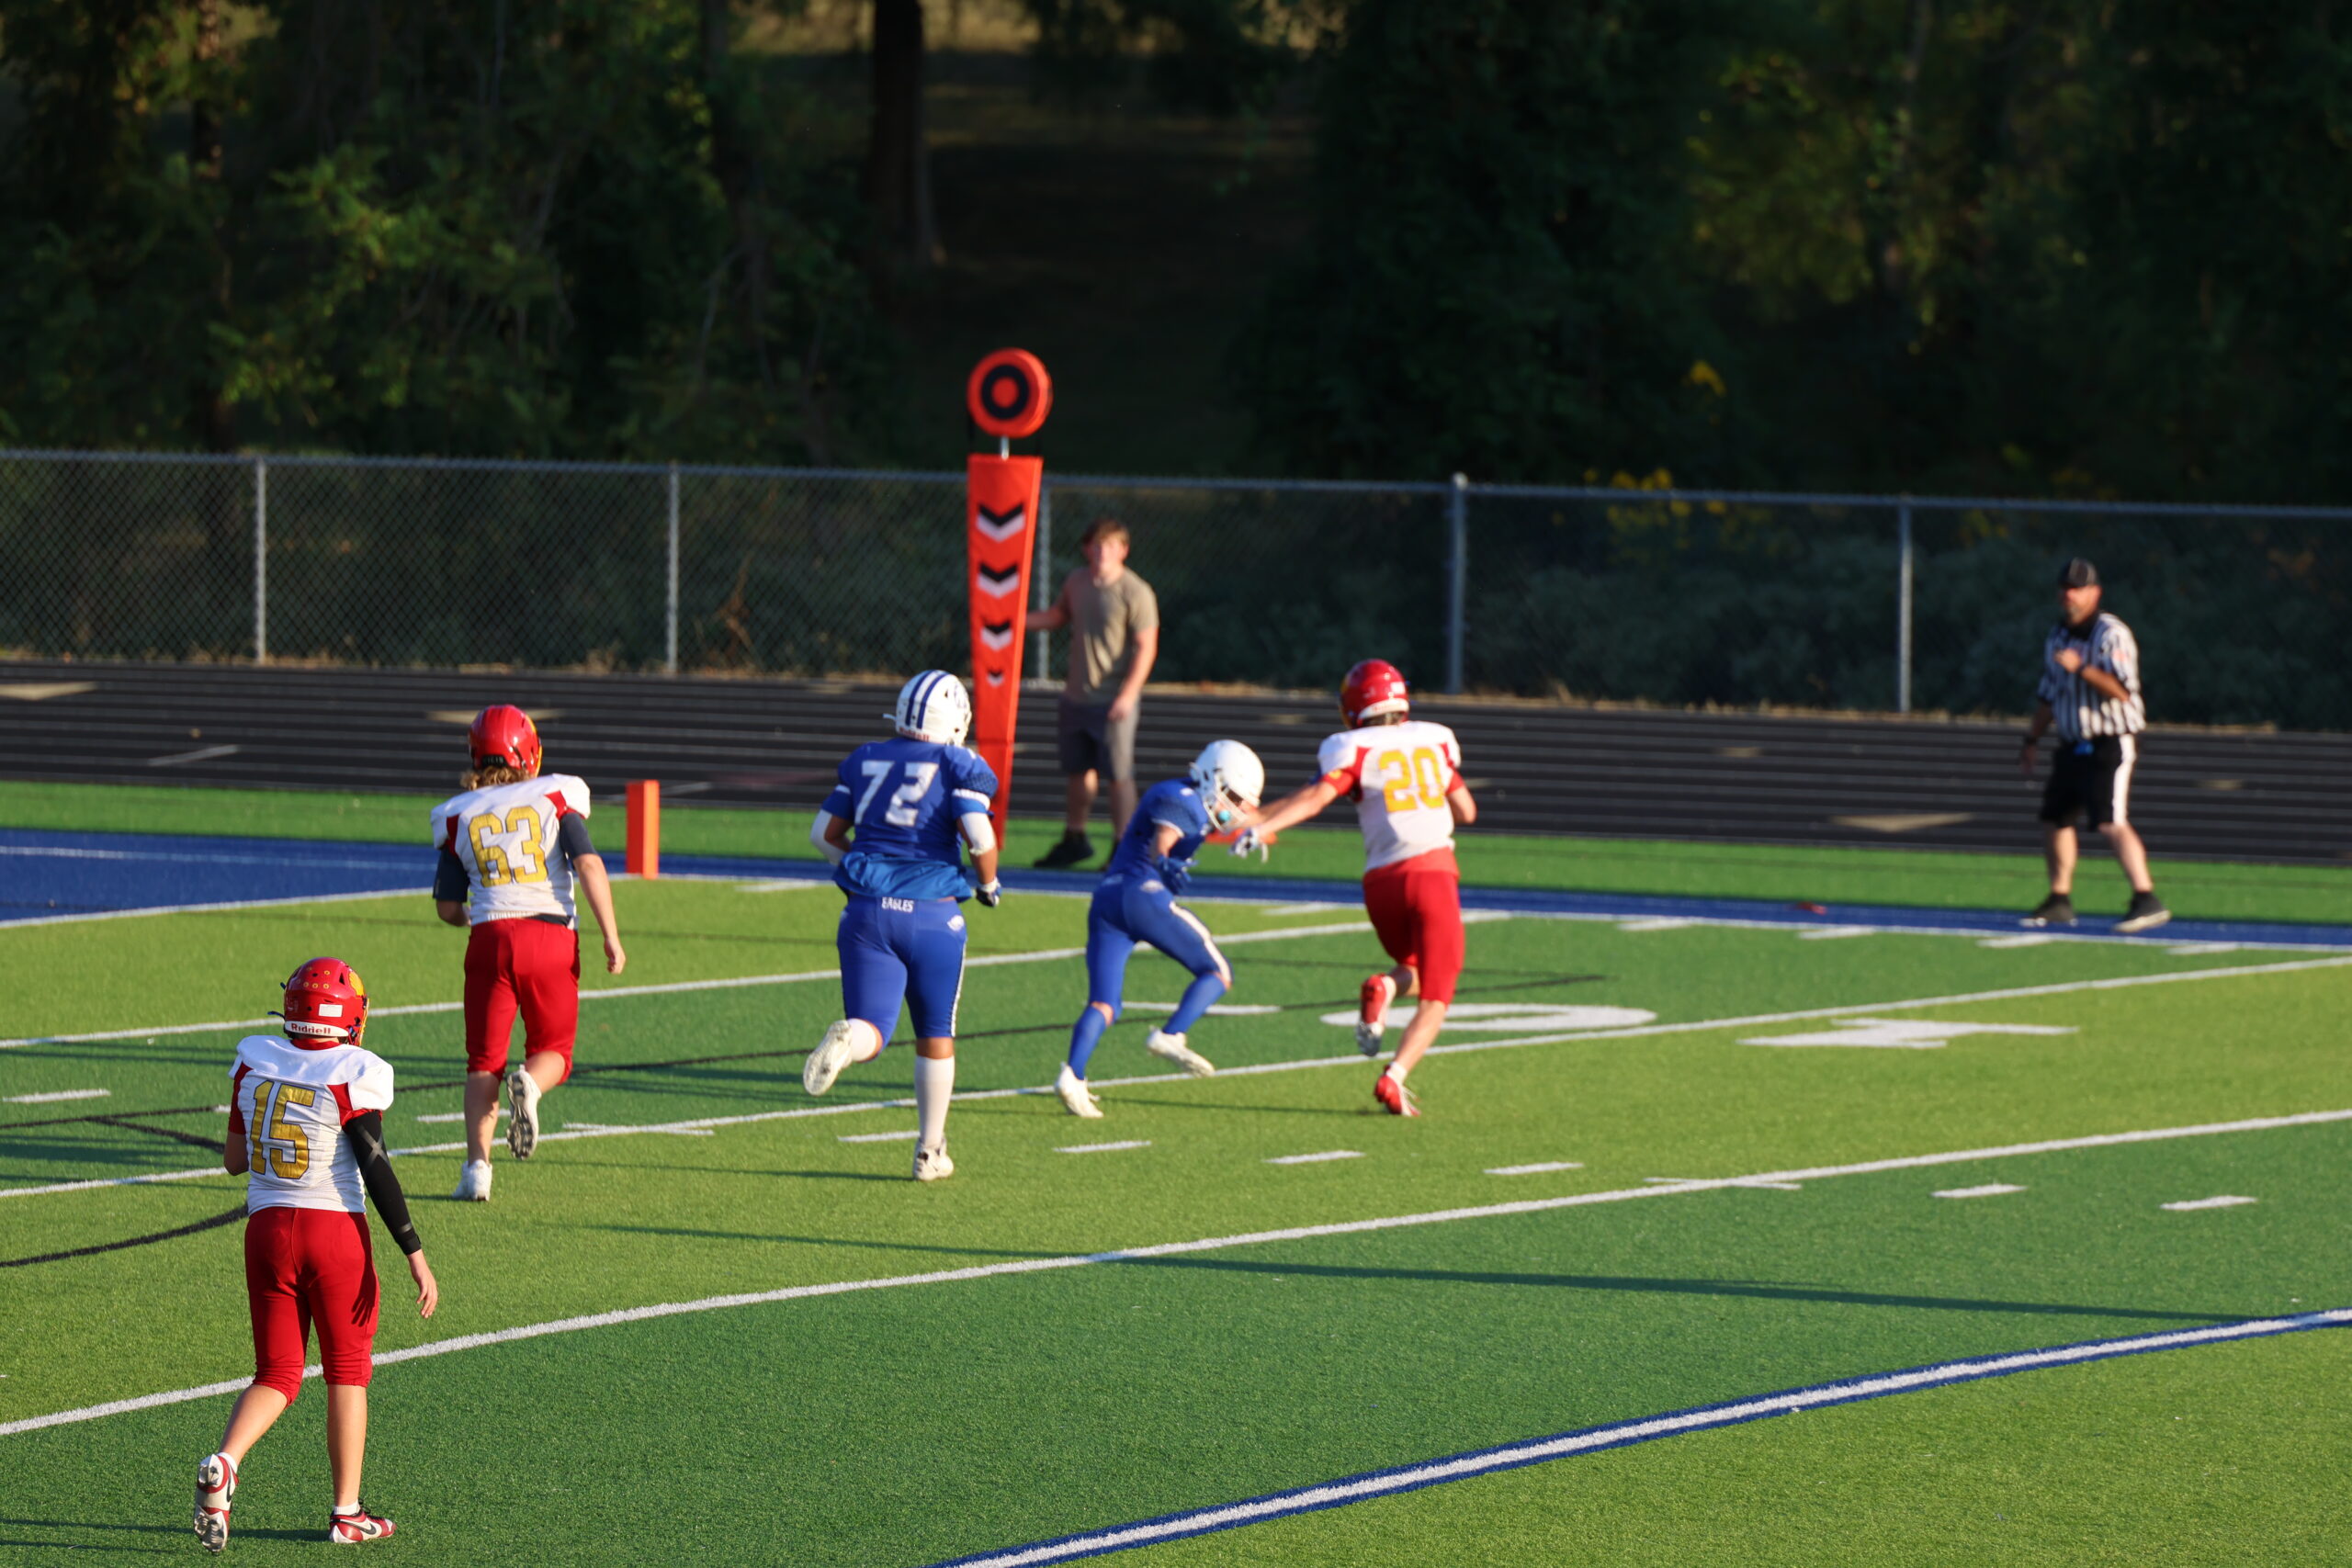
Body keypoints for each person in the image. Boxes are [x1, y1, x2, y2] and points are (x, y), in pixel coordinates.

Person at [194, 957, 439, 1552]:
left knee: (277, 1372)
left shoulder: (254, 1058)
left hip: (266, 1230)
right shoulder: (354, 1070)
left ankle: (226, 1462)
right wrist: (413, 1249)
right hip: (333, 1233)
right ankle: (346, 1512)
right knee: (347, 1371)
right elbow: (375, 1166)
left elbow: (234, 1161)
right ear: (349, 1016)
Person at [1238, 660, 1476, 1117]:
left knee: (1415, 968)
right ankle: (1395, 1076)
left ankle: (1385, 986)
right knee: (1438, 995)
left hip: (1381, 883)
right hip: (1433, 874)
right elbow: (1467, 811)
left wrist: (1263, 825)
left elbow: (1316, 798)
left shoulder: (1353, 749)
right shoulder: (1434, 740)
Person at [800, 671, 1004, 1180]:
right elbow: (980, 839)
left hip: (867, 910)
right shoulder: (958, 764)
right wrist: (988, 884)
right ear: (955, 721)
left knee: (873, 1028)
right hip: (934, 913)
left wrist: (862, 870)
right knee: (935, 1032)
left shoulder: (868, 757)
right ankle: (929, 1152)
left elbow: (823, 835)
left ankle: (850, 1039)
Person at [429, 705, 627, 1201]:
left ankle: (477, 1170)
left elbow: (447, 907)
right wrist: (610, 934)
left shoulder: (457, 814)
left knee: (482, 1062)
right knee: (554, 1052)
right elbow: (588, 864)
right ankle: (531, 1086)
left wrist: (475, 920)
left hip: (489, 939)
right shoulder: (555, 795)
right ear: (529, 753)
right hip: (549, 936)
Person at [1055, 740, 1266, 1118]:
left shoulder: (1187, 797)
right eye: (1232, 797)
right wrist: (1165, 862)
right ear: (1212, 777)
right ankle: (1170, 1035)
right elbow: (1162, 841)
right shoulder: (1182, 798)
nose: (1234, 808)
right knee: (1218, 972)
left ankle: (1073, 1076)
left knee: (1105, 1003)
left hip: (1107, 901)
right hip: (1143, 896)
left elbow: (1250, 816)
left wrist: (1266, 823)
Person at [2018, 558, 2170, 933]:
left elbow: (2121, 691)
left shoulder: (2111, 634)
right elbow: (2048, 694)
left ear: (2094, 593)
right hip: (2072, 742)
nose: (2069, 595)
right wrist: (2032, 739)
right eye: (2065, 588)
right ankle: (2059, 898)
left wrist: (2081, 668)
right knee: (2055, 817)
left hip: (2108, 741)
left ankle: (2146, 897)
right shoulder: (2058, 635)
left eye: (2077, 589)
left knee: (2109, 820)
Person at [1030, 518, 1160, 868]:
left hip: (1113, 699)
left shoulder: (1135, 591)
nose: (1103, 552)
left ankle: (1124, 845)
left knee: (1118, 774)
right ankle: (1075, 837)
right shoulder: (1077, 582)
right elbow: (1057, 616)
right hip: (1077, 696)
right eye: (1097, 545)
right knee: (1077, 771)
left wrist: (1128, 694)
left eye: (1111, 546)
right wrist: (1010, 622)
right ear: (1087, 549)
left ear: (1123, 550)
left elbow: (1146, 647)